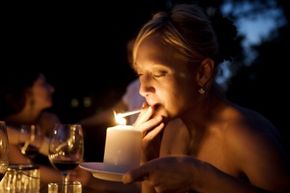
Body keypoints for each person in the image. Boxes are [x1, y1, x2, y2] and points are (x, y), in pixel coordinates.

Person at [121, 4, 290, 193]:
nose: (143, 89)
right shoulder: (171, 131)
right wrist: (148, 162)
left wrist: (199, 177)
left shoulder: (246, 136)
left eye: (159, 73)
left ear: (203, 73)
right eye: (140, 74)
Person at [0, 70, 90, 187]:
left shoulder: (49, 121)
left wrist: (38, 141)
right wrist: (73, 179)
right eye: (44, 84)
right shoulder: (6, 129)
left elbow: (73, 159)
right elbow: (27, 171)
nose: (52, 89)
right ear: (27, 91)